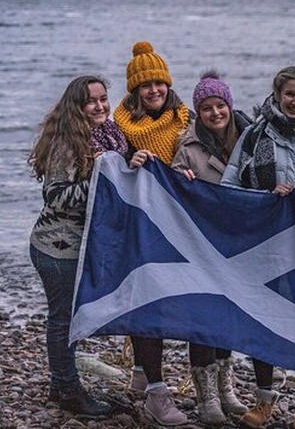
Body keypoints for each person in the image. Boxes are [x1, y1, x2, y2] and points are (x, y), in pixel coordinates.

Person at [221, 64, 295, 429]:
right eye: (290, 94)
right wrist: (264, 198)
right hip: (264, 243)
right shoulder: (253, 136)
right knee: (262, 319)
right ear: (277, 94)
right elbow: (229, 185)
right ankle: (264, 399)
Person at [27, 75, 126, 418]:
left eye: (103, 99)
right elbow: (56, 197)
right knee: (63, 320)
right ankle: (69, 391)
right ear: (77, 106)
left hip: (75, 246)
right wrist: (105, 175)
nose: (100, 106)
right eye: (92, 101)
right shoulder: (67, 143)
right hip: (56, 248)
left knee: (66, 317)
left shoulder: (104, 137)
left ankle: (60, 383)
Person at [114, 40, 191, 427]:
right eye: (146, 86)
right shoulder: (119, 127)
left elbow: (205, 155)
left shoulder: (186, 118)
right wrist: (129, 160)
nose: (154, 90)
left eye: (159, 83)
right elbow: (109, 169)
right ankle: (156, 392)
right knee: (145, 300)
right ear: (135, 90)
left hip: (181, 225)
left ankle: (144, 373)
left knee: (180, 299)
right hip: (140, 226)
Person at [170, 71, 252, 424]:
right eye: (206, 108)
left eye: (220, 105)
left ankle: (226, 389)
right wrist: (180, 180)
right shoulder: (187, 148)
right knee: (203, 320)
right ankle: (206, 398)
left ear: (230, 107)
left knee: (228, 318)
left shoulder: (249, 142)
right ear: (198, 112)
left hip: (238, 247)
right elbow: (170, 196)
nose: (215, 113)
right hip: (200, 248)